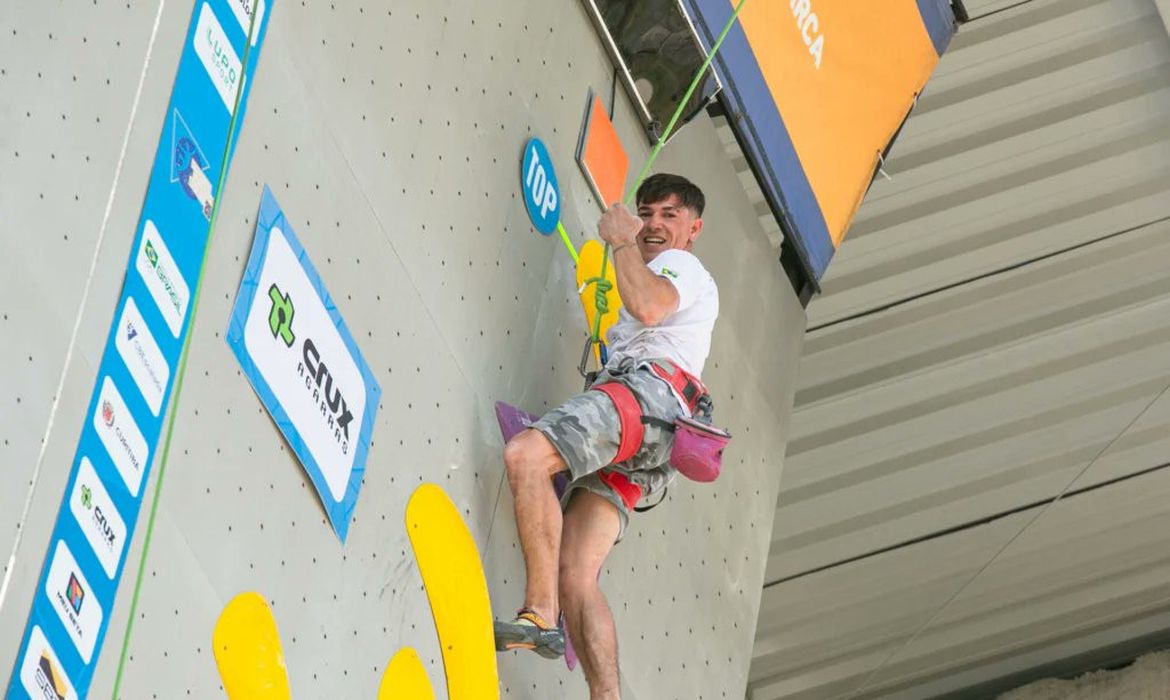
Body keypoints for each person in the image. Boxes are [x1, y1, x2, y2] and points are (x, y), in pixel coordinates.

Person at [495, 173, 720, 699]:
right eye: (646, 213)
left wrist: (620, 238)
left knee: (527, 456)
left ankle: (538, 616)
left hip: (647, 399)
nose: (653, 224)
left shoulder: (681, 267)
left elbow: (649, 306)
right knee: (576, 573)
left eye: (669, 214)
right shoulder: (655, 272)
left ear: (694, 228)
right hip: (658, 429)